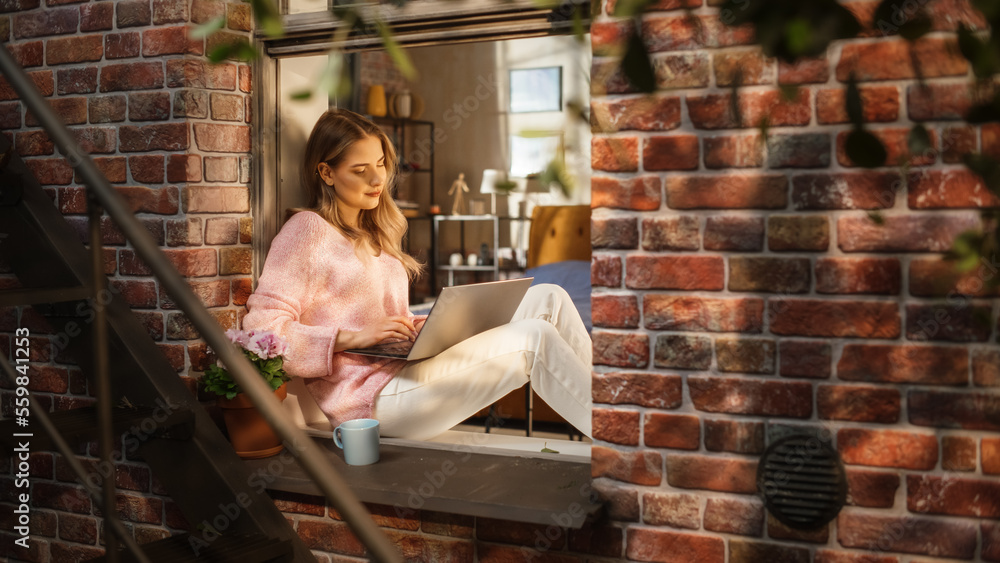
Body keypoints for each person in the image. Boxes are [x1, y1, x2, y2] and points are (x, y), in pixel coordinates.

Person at [243, 109, 592, 441]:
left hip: (408, 372)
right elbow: (262, 333)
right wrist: (352, 338)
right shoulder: (306, 231)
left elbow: (388, 324)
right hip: (370, 399)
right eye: (360, 169)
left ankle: (618, 410)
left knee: (551, 297)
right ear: (327, 173)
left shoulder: (376, 233)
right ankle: (620, 444)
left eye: (380, 164)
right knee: (535, 337)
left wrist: (425, 325)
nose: (378, 178)